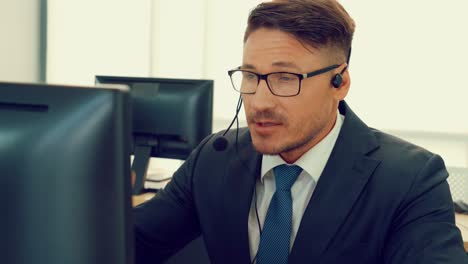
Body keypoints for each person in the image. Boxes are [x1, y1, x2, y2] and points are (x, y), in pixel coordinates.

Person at [133, 0, 468, 263]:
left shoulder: (410, 179)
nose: (260, 102)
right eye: (250, 75)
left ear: (340, 82)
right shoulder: (214, 158)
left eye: (285, 78)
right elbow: (130, 243)